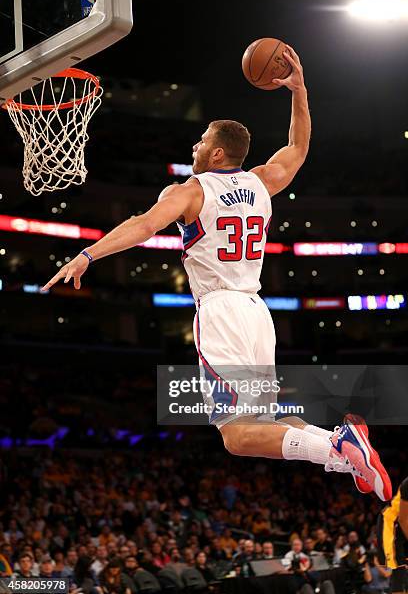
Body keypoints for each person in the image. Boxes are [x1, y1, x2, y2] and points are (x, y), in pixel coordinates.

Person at [42, 46, 390, 502]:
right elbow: (299, 148)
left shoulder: (190, 190)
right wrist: (299, 90)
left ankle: (335, 445)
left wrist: (88, 255)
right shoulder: (262, 180)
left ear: (218, 151)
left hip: (222, 311)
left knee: (237, 437)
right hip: (256, 310)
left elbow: (143, 225)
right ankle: (341, 452)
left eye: (201, 140)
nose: (195, 145)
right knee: (261, 425)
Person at [377, 476, 408, 594]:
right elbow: (403, 519)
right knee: (399, 566)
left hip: (404, 523)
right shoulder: (407, 485)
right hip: (392, 523)